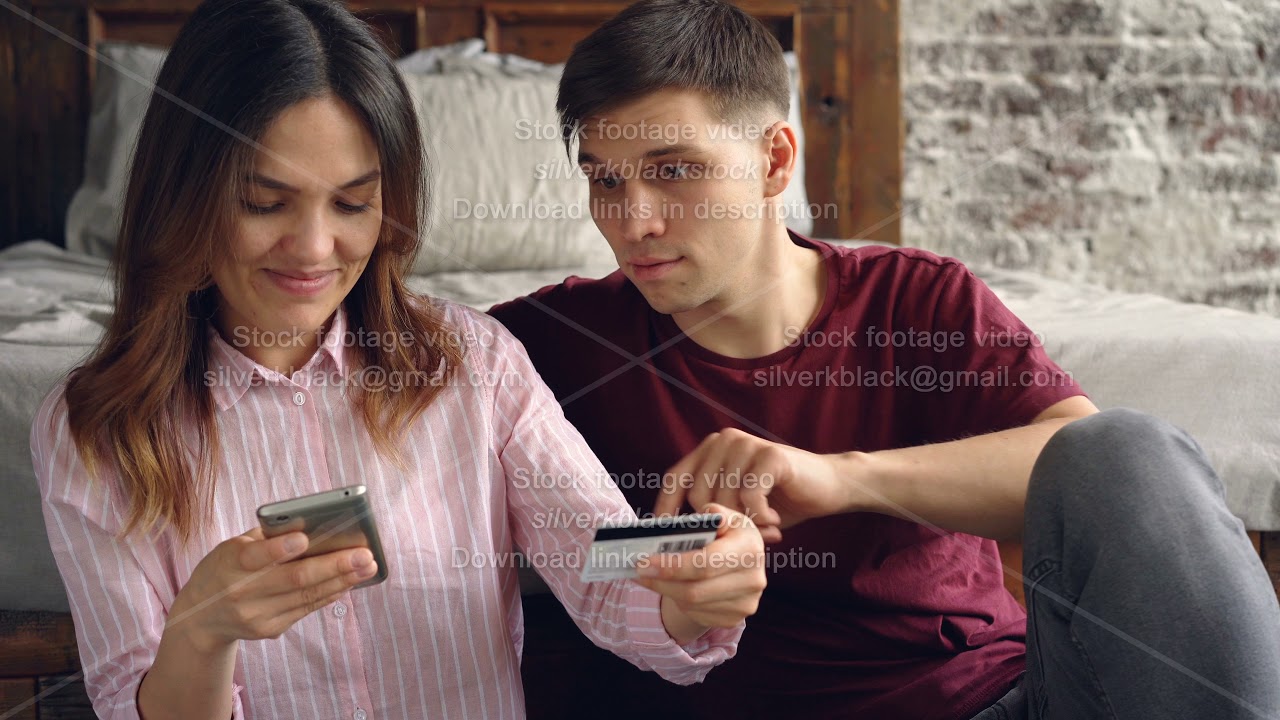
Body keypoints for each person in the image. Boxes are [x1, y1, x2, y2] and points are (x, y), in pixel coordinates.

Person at [490, 1, 1280, 718]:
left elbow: (1085, 466)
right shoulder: (540, 346)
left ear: (773, 160)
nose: (633, 222)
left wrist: (839, 479)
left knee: (1133, 447)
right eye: (605, 181)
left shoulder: (917, 301)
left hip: (987, 704)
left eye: (673, 171)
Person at [30, 1, 769, 718]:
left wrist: (688, 588)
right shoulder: (94, 428)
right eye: (264, 202)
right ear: (184, 194)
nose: (315, 249)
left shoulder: (474, 363)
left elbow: (605, 563)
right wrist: (203, 632)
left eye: (353, 205)